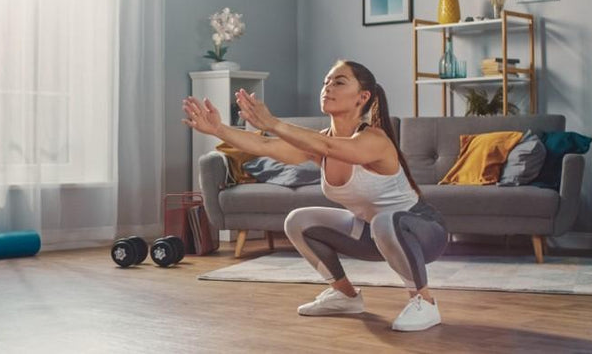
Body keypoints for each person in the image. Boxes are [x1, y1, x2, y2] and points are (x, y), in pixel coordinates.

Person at [182, 60, 447, 332]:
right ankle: (345, 296)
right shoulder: (319, 143)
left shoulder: (374, 140)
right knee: (298, 221)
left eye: (339, 82)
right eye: (326, 82)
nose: (328, 87)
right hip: (373, 235)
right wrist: (219, 130)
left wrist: (273, 122)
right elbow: (266, 146)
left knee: (384, 220)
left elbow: (329, 146)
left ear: (363, 97)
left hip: (422, 231)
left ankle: (424, 302)